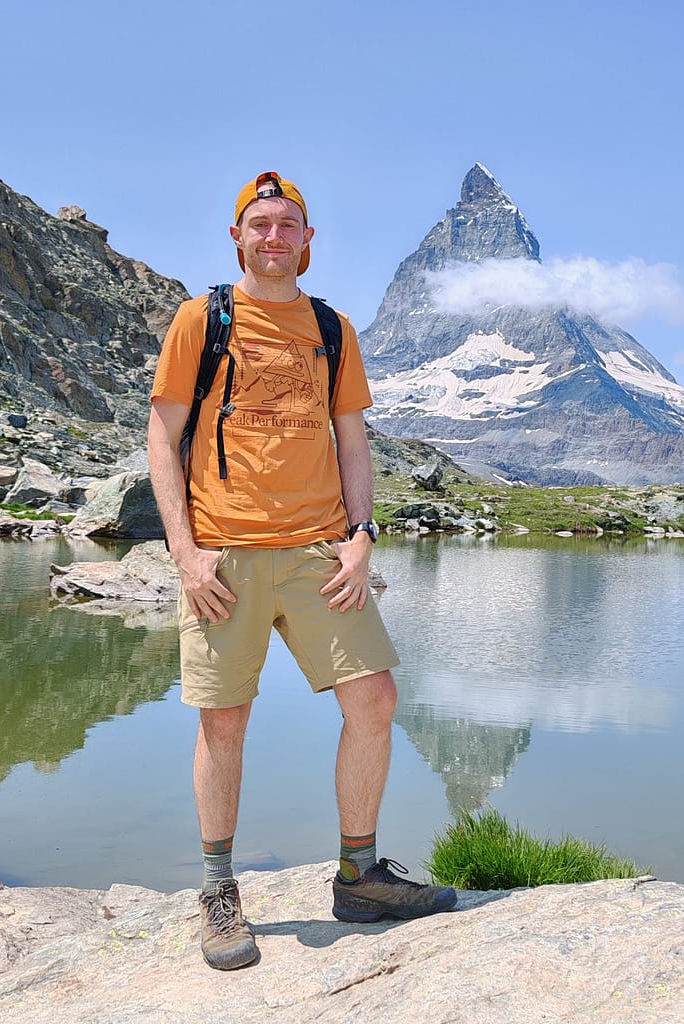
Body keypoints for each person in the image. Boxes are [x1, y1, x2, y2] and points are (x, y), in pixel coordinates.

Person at [146, 170, 456, 971]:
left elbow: (354, 442)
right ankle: (218, 891)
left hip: (322, 552)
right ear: (237, 236)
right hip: (225, 555)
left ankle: (359, 875)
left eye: (290, 224)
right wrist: (184, 551)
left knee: (376, 698)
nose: (275, 236)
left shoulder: (331, 328)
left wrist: (361, 537)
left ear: (309, 241)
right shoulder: (199, 321)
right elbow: (162, 435)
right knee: (224, 721)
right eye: (262, 224)